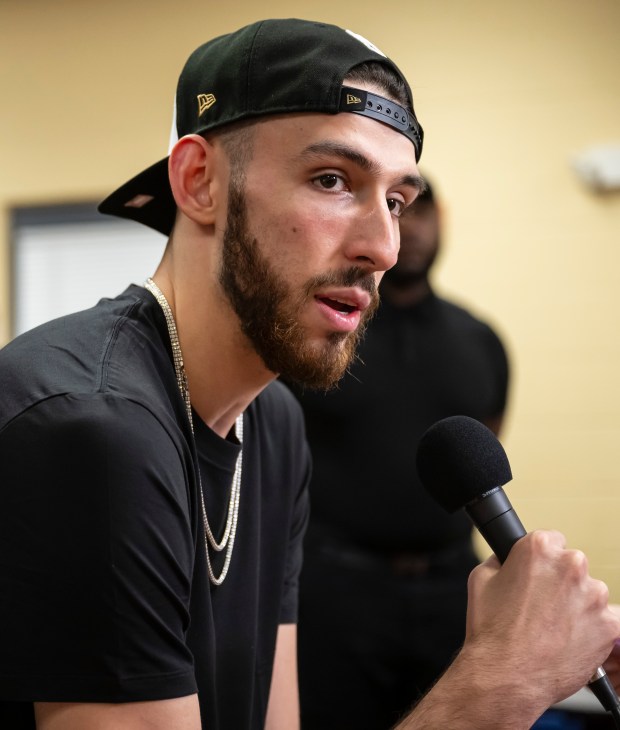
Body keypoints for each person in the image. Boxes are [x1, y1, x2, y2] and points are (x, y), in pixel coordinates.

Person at [0, 17, 618, 730]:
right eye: (332, 180)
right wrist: (505, 677)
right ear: (199, 182)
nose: (383, 246)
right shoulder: (90, 427)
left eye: (396, 199)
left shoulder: (273, 421)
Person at [288, 178, 510, 730]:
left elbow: (483, 448)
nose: (410, 229)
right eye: (397, 212)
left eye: (421, 213)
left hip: (451, 591)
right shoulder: (327, 331)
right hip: (336, 593)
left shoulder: (479, 339)